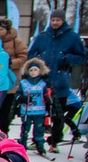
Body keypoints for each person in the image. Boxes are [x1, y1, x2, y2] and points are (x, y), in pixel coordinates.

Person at [28, 8, 86, 151]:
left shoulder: (72, 37)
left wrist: (66, 59)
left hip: (61, 80)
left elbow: (82, 56)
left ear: (63, 21)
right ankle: (37, 139)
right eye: (53, 20)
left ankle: (54, 141)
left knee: (58, 114)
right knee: (39, 111)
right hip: (42, 81)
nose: (55, 22)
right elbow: (31, 54)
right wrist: (38, 62)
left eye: (58, 20)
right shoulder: (43, 37)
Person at [0, 18, 28, 134]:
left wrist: (10, 63)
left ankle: (3, 134)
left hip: (9, 82)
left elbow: (23, 57)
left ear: (7, 30)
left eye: (1, 29)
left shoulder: (16, 42)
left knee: (5, 112)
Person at [15, 58, 52, 155]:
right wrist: (22, 99)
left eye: (35, 70)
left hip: (40, 111)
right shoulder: (23, 83)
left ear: (40, 71)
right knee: (25, 129)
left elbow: (48, 95)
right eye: (31, 70)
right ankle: (22, 146)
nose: (33, 72)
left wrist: (49, 99)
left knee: (39, 129)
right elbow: (17, 95)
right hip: (26, 111)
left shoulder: (44, 83)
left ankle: (40, 146)